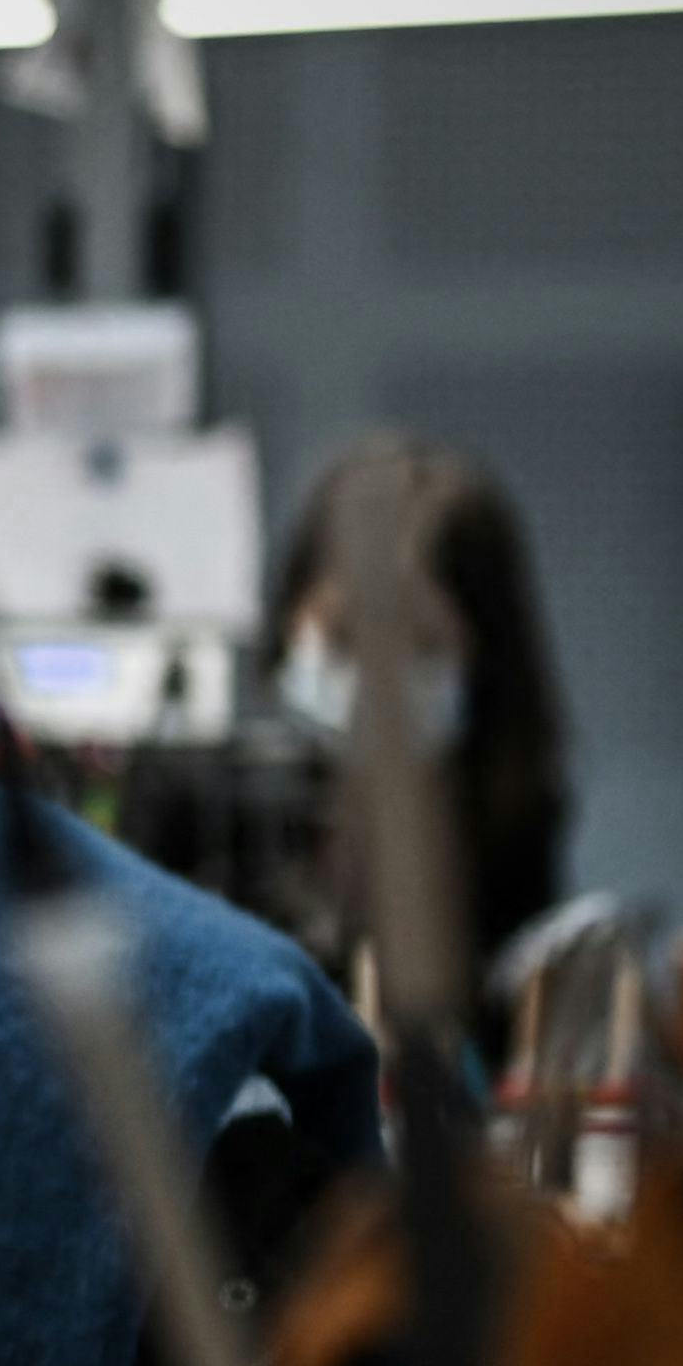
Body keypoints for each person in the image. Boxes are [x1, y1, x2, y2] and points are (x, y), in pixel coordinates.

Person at [261, 430, 578, 1017]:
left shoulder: (512, 812)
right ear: (291, 616)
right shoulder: (221, 807)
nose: (378, 680)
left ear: (485, 654)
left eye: (419, 644)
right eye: (347, 636)